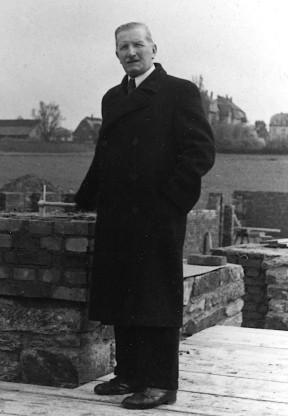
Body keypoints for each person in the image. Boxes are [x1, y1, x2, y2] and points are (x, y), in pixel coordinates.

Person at [74, 22, 215, 410]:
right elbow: (105, 154)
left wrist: (172, 201)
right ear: (116, 54)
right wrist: (85, 199)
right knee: (123, 290)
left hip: (158, 212)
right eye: (123, 47)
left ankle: (161, 382)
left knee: (156, 294)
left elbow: (201, 152)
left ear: (154, 48)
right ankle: (130, 375)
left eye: (138, 45)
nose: (131, 52)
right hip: (118, 211)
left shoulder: (180, 92)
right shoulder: (113, 97)